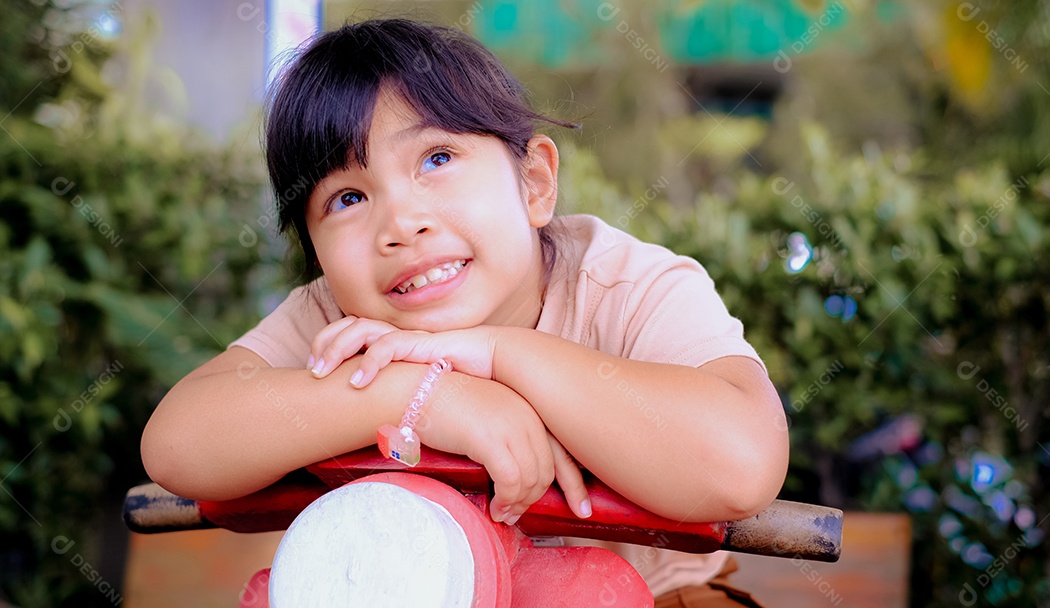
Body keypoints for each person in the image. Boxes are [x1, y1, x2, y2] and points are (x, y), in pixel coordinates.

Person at [140, 18, 787, 606]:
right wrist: (412, 395)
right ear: (315, 252)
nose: (401, 224)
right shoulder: (334, 317)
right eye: (346, 197)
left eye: (437, 158)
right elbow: (178, 445)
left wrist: (506, 356)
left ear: (533, 183)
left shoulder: (623, 285)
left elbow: (740, 466)